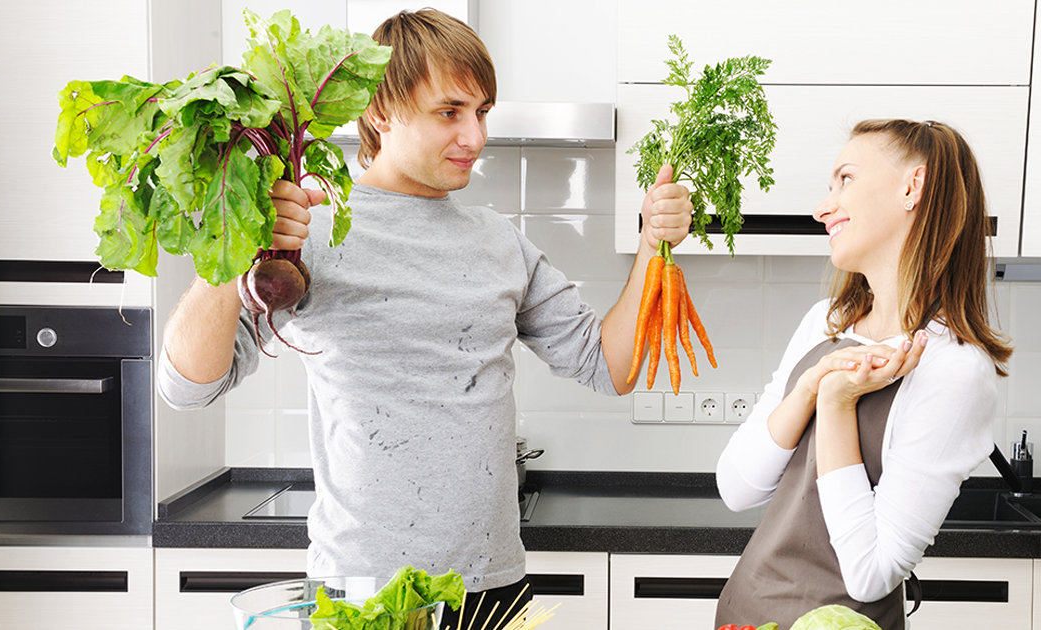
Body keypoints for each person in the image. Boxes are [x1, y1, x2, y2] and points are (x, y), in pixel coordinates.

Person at [157, 9, 692, 629]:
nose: (474, 137)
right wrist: (230, 246)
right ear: (382, 111)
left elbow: (612, 367)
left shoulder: (501, 243)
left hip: (492, 588)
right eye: (449, 112)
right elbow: (186, 387)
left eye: (482, 112)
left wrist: (653, 243)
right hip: (363, 590)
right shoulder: (310, 233)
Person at [714, 119, 1012, 630]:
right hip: (744, 614)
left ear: (912, 187)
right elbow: (736, 489)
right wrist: (809, 387)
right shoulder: (825, 322)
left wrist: (835, 404)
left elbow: (871, 574)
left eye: (845, 179)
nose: (822, 208)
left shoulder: (955, 368)